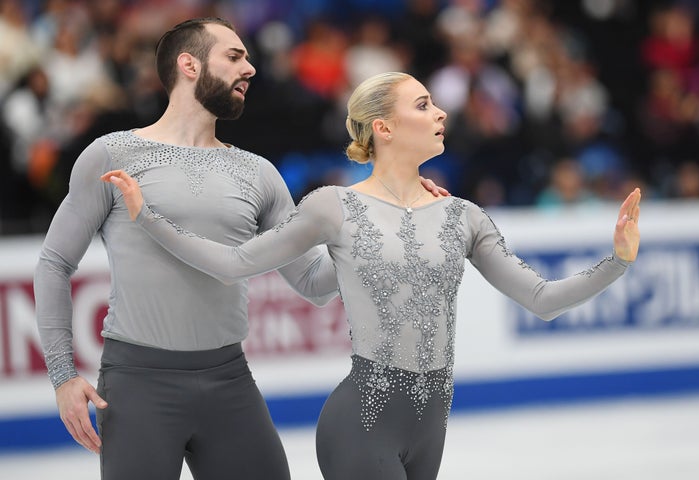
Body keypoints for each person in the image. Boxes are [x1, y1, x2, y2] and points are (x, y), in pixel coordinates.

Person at [103, 71, 641, 480]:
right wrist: (148, 218)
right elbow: (234, 263)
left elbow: (542, 299)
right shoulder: (331, 207)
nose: (442, 114)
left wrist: (617, 260)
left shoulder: (463, 215)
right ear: (383, 127)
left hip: (432, 424)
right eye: (424, 105)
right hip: (361, 422)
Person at [33, 17, 445, 480]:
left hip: (228, 382)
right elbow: (53, 263)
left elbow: (313, 282)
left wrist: (386, 220)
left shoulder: (258, 173)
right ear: (189, 64)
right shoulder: (112, 155)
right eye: (234, 57)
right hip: (137, 384)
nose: (249, 69)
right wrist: (63, 375)